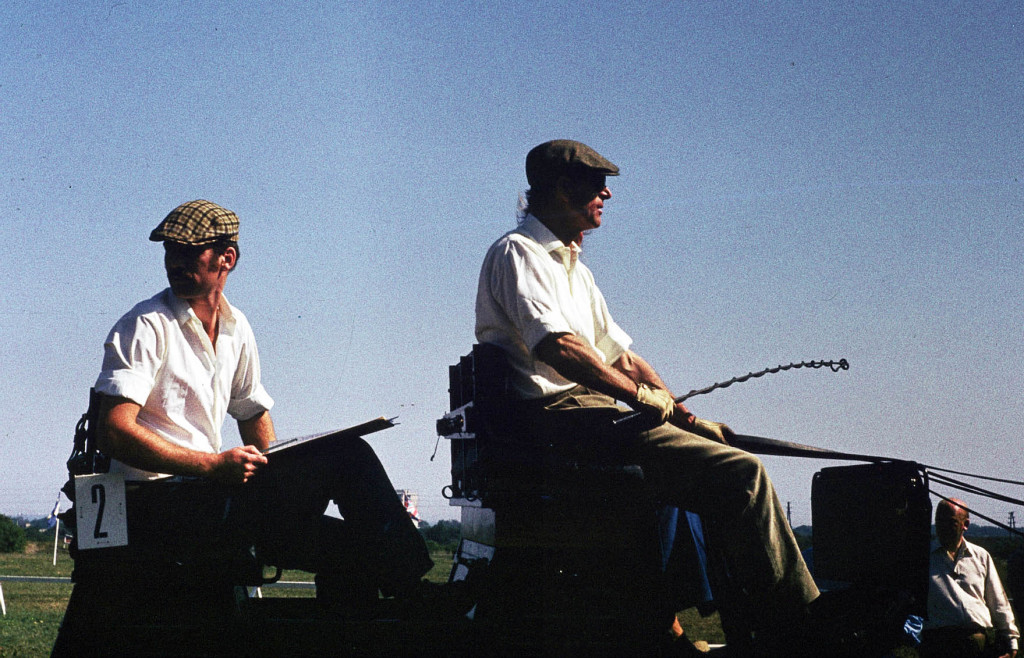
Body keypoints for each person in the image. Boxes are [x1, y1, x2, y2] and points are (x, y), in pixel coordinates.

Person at [475, 140, 821, 654]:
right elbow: (561, 348)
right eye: (597, 185)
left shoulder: (576, 268)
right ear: (563, 189)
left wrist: (684, 416)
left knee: (714, 463)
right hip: (555, 424)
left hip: (591, 420)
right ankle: (805, 627)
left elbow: (621, 357)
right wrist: (640, 398)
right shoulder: (518, 252)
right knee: (741, 473)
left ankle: (724, 628)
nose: (606, 194)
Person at [93, 199, 432, 611]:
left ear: (227, 259)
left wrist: (273, 470)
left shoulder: (237, 329)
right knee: (349, 455)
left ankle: (392, 610)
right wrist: (213, 466)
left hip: (211, 497)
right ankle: (416, 588)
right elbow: (113, 430)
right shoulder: (146, 324)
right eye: (170, 250)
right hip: (158, 503)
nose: (174, 261)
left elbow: (253, 413)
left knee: (354, 548)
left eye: (188, 251)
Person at [921, 498, 1019, 658]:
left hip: (979, 644)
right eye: (939, 521)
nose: (943, 527)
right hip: (939, 645)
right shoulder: (923, 558)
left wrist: (1011, 640)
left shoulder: (980, 556)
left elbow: (998, 601)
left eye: (950, 522)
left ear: (965, 525)